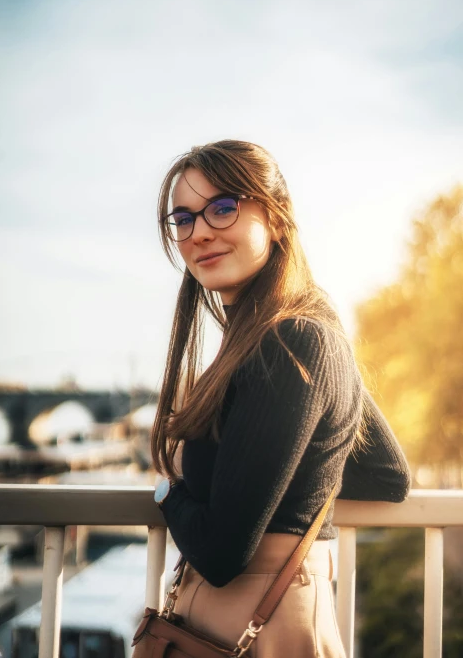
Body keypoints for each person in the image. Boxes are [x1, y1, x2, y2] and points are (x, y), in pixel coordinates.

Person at [151, 139, 410, 658]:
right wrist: (283, 469)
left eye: (222, 208)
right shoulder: (299, 330)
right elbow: (387, 474)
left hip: (257, 628)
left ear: (275, 217)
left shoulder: (290, 342)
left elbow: (223, 552)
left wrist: (167, 491)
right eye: (183, 219)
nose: (199, 231)